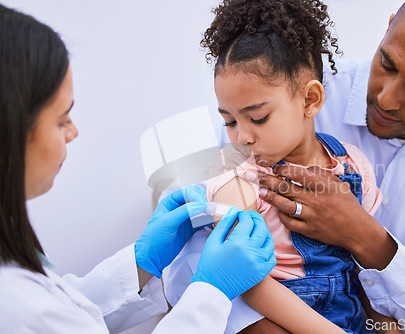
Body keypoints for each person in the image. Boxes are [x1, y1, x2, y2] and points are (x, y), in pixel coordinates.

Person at [0, 4, 277, 333]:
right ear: (11, 128)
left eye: (257, 118)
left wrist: (139, 265)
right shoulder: (18, 307)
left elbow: (69, 310)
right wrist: (210, 293)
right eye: (61, 120)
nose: (73, 132)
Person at [249, 0, 405, 333]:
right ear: (388, 27)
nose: (386, 99)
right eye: (388, 63)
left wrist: (366, 238)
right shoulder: (301, 91)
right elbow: (210, 237)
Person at [163, 1, 402, 333]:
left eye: (258, 118)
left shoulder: (352, 165)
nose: (242, 136)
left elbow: (365, 269)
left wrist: (387, 324)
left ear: (309, 100)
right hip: (282, 322)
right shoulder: (238, 176)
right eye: (229, 121)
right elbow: (246, 281)